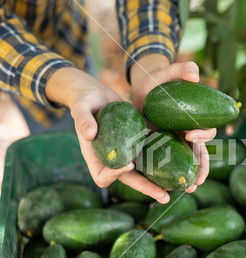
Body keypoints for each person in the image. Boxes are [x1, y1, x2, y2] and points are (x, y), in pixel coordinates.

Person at [0, 0, 215, 204]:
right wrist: (70, 87)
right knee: (60, 132)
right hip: (14, 57)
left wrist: (149, 68)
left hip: (62, 31)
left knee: (85, 117)